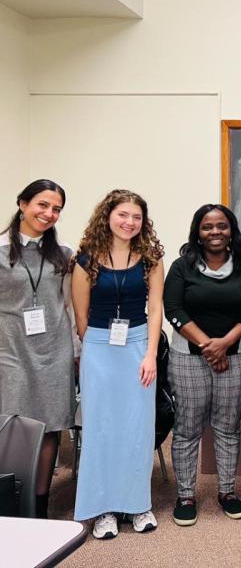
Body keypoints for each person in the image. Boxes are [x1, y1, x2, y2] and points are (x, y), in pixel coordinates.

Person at [71, 189, 164, 539]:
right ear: (107, 216)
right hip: (99, 348)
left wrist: (150, 354)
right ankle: (103, 508)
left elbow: (155, 310)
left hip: (139, 347)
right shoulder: (86, 260)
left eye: (136, 217)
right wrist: (96, 351)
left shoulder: (152, 258)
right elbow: (81, 316)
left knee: (137, 429)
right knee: (102, 429)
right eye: (123, 214)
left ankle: (138, 504)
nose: (129, 222)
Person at [164, 203, 241, 526]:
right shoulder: (181, 267)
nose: (215, 232)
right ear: (198, 232)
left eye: (222, 226)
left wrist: (224, 344)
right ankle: (186, 494)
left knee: (227, 426)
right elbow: (174, 309)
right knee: (188, 427)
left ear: (231, 229)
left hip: (235, 357)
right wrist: (208, 346)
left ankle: (227, 492)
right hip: (189, 358)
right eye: (208, 227)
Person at [0, 179, 76, 519]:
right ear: (22, 204)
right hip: (11, 351)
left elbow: (69, 305)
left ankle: (38, 508)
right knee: (12, 424)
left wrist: (76, 349)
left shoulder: (64, 254)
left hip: (54, 352)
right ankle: (10, 501)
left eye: (56, 208)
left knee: (49, 428)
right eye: (42, 205)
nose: (49, 213)